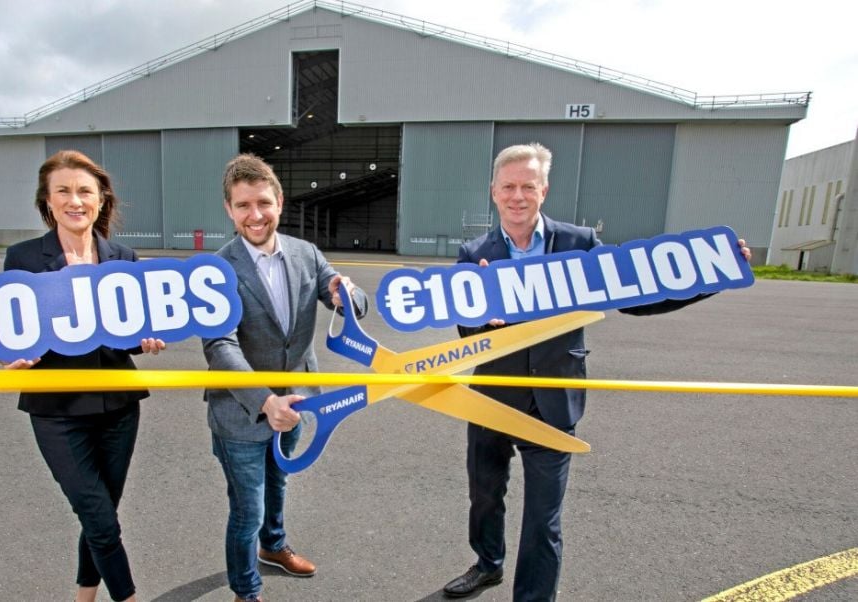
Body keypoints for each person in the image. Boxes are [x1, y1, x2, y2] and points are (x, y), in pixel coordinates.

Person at [442, 143, 752, 601]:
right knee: (485, 497)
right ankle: (488, 564)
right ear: (494, 192)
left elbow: (640, 297)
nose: (518, 195)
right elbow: (467, 332)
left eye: (528, 186)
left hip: (554, 400)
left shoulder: (579, 245)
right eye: (508, 186)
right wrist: (481, 316)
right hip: (491, 398)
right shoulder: (474, 253)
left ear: (544, 190)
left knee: (543, 518)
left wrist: (712, 277)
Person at [202, 153, 369, 602]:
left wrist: (347, 296)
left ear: (279, 201)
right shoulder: (214, 271)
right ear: (229, 209)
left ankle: (274, 548)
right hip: (240, 411)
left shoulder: (307, 254)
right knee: (246, 511)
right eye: (243, 206)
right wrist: (264, 400)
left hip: (296, 402)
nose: (255, 215)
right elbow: (220, 346)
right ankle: (246, 590)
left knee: (279, 484)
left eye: (263, 202)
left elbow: (351, 302)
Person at [1, 149, 165, 602]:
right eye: (64, 191)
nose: (75, 200)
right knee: (98, 515)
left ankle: (84, 596)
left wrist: (147, 340)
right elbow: (11, 331)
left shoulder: (123, 257)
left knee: (102, 513)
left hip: (118, 406)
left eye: (85, 191)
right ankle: (128, 597)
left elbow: (127, 333)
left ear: (101, 199)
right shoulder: (23, 258)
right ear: (47, 201)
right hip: (57, 410)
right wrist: (10, 356)